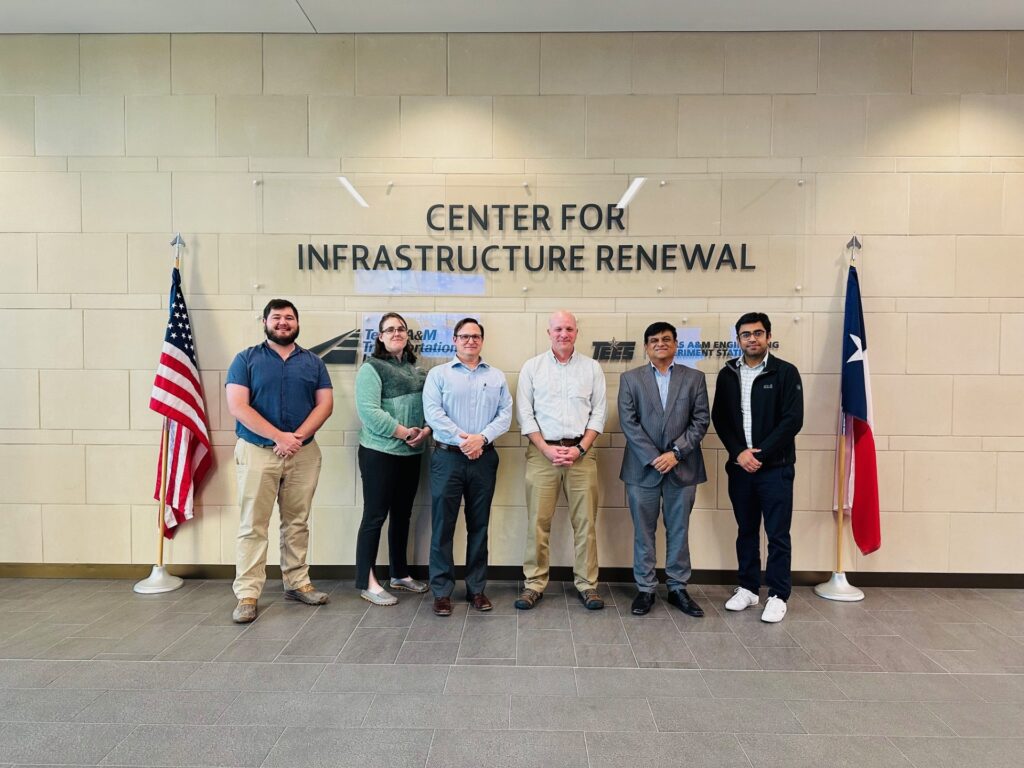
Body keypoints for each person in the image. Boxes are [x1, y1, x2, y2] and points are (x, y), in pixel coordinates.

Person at [225, 299, 334, 624]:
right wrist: (278, 437)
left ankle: (297, 583)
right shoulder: (246, 359)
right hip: (258, 450)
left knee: (297, 522)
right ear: (265, 322)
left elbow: (324, 405)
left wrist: (295, 438)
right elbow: (238, 406)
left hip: (303, 452)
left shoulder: (313, 362)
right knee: (253, 525)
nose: (283, 322)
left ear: (297, 323)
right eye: (277, 318)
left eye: (289, 318)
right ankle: (247, 593)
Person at [711, 312, 803, 623]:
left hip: (774, 468)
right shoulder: (728, 374)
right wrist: (739, 453)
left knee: (777, 534)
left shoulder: (785, 373)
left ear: (768, 337)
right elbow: (720, 418)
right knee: (746, 530)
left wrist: (759, 455)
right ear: (738, 339)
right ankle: (749, 588)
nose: (752, 339)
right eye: (746, 334)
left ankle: (777, 595)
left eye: (758, 333)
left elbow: (792, 420)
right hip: (740, 469)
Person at [515, 311, 607, 611]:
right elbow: (525, 414)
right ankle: (534, 584)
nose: (563, 333)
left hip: (582, 455)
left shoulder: (592, 368)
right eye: (558, 329)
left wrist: (580, 448)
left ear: (576, 332)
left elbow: (599, 414)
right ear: (548, 332)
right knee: (537, 524)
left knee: (585, 524)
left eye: (568, 328)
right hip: (543, 455)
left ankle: (587, 585)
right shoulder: (533, 368)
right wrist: (545, 448)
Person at [618, 322, 710, 617]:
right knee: (643, 531)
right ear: (646, 346)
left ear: (676, 344)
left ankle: (677, 588)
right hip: (641, 469)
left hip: (682, 468)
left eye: (666, 339)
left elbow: (700, 421)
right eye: (654, 340)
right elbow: (628, 422)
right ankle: (645, 590)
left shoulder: (694, 378)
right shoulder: (630, 379)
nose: (660, 343)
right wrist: (655, 457)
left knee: (679, 530)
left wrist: (675, 454)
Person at [422, 318, 513, 616]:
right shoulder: (439, 375)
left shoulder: (497, 376)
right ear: (455, 341)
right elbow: (433, 414)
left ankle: (476, 589)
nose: (470, 341)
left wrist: (481, 439)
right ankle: (442, 591)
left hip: (484, 459)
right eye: (464, 336)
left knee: (479, 525)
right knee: (443, 525)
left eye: (475, 336)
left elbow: (505, 415)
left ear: (482, 341)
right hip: (448, 457)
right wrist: (465, 441)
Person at [353, 312, 432, 605]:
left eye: (401, 329)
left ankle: (399, 574)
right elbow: (369, 413)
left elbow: (429, 408)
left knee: (403, 515)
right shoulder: (371, 369)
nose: (397, 333)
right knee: (375, 516)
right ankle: (367, 580)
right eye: (390, 329)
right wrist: (403, 432)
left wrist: (424, 431)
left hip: (411, 453)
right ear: (381, 337)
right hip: (379, 454)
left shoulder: (416, 370)